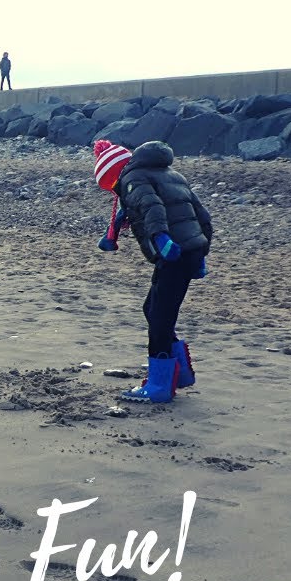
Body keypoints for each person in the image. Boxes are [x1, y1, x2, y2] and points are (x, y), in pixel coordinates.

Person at [92, 139, 211, 404]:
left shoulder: (133, 178)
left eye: (111, 185)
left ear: (114, 173)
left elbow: (151, 208)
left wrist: (161, 239)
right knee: (153, 309)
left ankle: (159, 385)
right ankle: (180, 372)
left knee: (159, 316)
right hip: (189, 250)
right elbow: (201, 214)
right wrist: (202, 253)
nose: (114, 191)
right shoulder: (171, 174)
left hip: (173, 253)